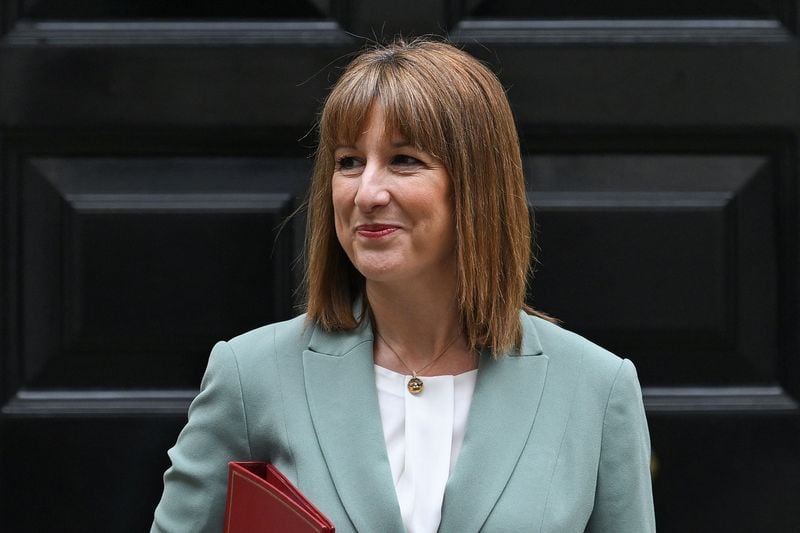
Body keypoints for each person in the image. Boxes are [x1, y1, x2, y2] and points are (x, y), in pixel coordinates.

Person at [151, 38, 655, 532]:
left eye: (404, 160)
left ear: (477, 185)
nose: (367, 193)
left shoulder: (595, 389)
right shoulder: (251, 376)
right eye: (349, 162)